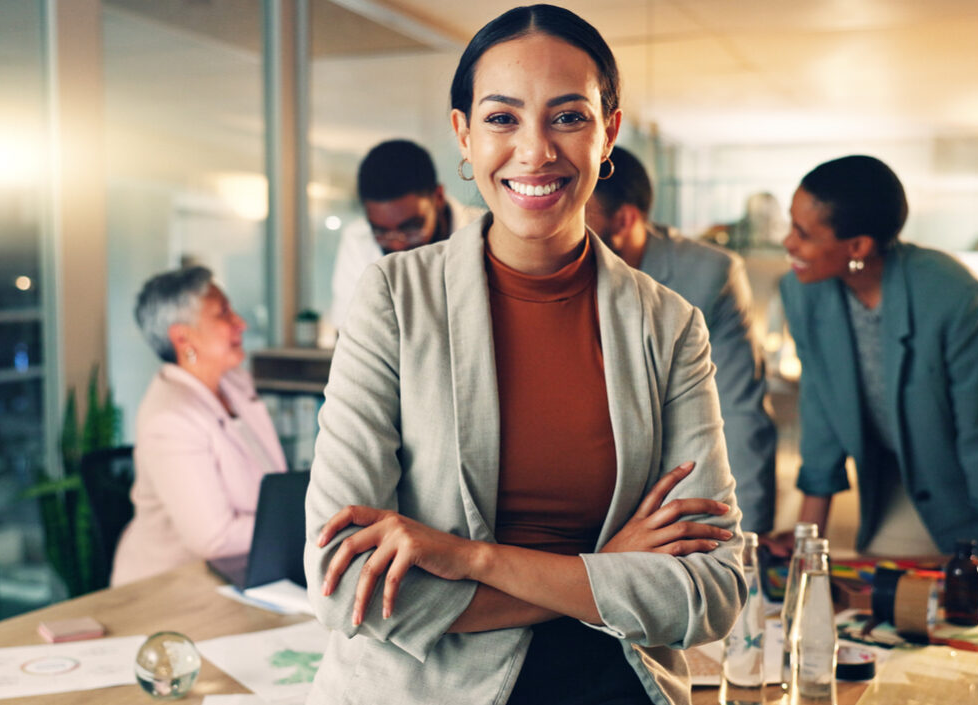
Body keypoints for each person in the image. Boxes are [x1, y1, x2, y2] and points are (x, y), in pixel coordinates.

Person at [303, 6, 745, 705]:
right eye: (503, 118)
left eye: (568, 117)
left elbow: (713, 589)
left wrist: (470, 559)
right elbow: (345, 584)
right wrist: (601, 572)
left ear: (609, 133)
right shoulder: (394, 298)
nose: (535, 151)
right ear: (464, 134)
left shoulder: (668, 325)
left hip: (615, 685)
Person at [776, 155, 978, 608]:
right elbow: (821, 408)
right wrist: (804, 541)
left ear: (857, 246)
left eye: (804, 233)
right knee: (895, 608)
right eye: (791, 226)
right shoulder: (802, 291)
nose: (787, 242)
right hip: (901, 473)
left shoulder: (955, 296)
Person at [586, 146, 778, 534]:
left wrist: (747, 543)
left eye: (577, 214)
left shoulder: (709, 276)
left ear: (623, 220)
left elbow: (741, 414)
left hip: (672, 498)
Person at [110, 266, 287, 586]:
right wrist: (303, 519)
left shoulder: (234, 382)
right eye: (223, 313)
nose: (241, 323)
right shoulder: (170, 418)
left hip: (244, 571)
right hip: (170, 587)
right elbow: (214, 538)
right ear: (182, 337)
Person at [326, 139, 484, 331]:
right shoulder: (359, 239)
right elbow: (346, 329)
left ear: (438, 197)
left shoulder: (486, 232)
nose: (397, 245)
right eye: (381, 232)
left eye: (411, 228)